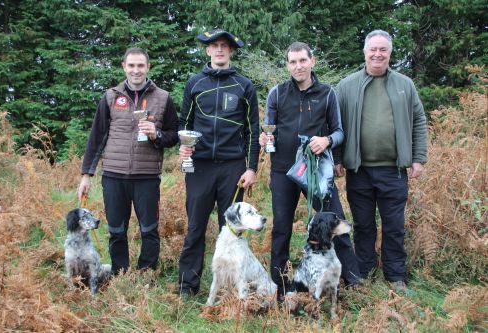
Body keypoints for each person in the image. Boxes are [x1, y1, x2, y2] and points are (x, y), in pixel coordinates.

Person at [259, 42, 361, 300]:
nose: (298, 66)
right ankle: (279, 287)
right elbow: (269, 130)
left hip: (315, 170)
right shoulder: (277, 94)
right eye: (292, 62)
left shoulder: (327, 94)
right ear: (287, 65)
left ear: (312, 61)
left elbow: (339, 132)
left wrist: (326, 140)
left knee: (335, 220)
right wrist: (265, 140)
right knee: (281, 228)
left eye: (302, 60)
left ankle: (353, 280)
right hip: (283, 171)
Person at [335, 30, 428, 291]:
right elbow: (336, 124)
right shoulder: (346, 85)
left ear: (390, 53)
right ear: (364, 52)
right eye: (373, 49)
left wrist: (418, 158)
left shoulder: (404, 85)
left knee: (394, 226)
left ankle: (395, 276)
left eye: (383, 50)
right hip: (359, 171)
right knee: (363, 225)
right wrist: (338, 159)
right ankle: (362, 274)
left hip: (394, 170)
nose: (377, 54)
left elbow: (419, 120)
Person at [78, 47, 179, 275]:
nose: (136, 70)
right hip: (114, 175)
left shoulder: (163, 98)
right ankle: (120, 273)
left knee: (149, 230)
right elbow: (97, 138)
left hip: (147, 178)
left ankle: (146, 274)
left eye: (140, 65)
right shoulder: (110, 97)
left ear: (148, 67)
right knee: (116, 230)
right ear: (124, 67)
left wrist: (157, 134)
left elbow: (174, 134)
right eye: (131, 65)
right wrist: (86, 175)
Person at [178, 29, 260, 297]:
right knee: (195, 228)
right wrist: (184, 148)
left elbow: (253, 130)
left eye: (225, 46)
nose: (220, 50)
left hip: (232, 168)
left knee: (234, 230)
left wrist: (251, 168)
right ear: (207, 50)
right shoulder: (194, 83)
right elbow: (185, 125)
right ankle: (187, 286)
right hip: (199, 167)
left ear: (231, 51)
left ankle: (232, 286)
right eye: (215, 45)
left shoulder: (244, 86)